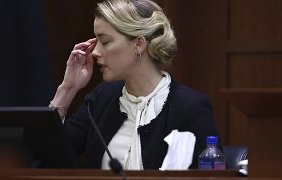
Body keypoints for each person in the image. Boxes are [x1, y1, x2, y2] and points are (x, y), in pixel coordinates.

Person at [49, 0, 222, 170]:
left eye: (105, 42)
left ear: (138, 44)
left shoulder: (191, 108)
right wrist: (67, 89)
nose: (94, 52)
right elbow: (49, 159)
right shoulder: (100, 99)